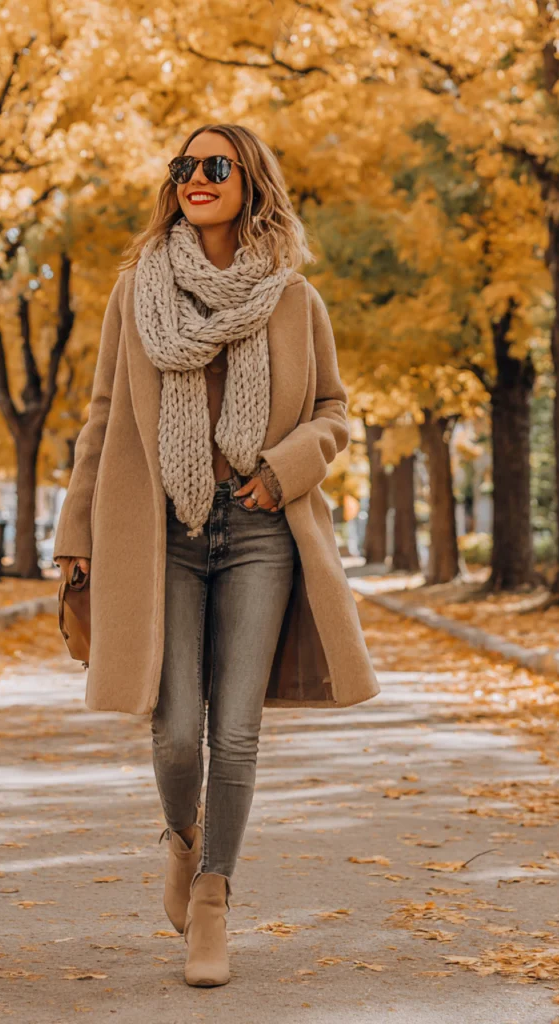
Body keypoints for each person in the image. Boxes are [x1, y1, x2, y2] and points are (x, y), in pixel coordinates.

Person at [53, 123, 379, 988]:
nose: (195, 178)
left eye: (215, 166)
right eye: (184, 167)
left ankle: (212, 898)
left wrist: (283, 471)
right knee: (173, 732)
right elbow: (102, 415)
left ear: (249, 182)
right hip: (162, 531)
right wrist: (75, 534)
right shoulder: (138, 291)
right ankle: (182, 838)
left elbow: (335, 411)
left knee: (235, 730)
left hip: (260, 531)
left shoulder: (293, 298)